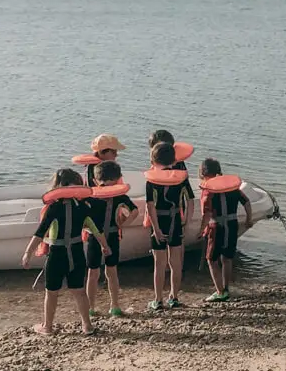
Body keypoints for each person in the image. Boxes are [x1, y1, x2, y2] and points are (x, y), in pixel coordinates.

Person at [21, 169, 108, 336]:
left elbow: (40, 233)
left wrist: (27, 253)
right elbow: (95, 229)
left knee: (51, 292)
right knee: (79, 291)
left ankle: (47, 327)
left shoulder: (53, 208)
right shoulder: (82, 206)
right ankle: (87, 326)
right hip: (76, 254)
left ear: (58, 187)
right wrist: (105, 246)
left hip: (57, 255)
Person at [84, 160, 139, 317]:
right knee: (112, 272)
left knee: (92, 273)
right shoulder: (119, 195)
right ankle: (114, 306)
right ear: (118, 178)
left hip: (94, 238)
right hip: (113, 236)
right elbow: (134, 211)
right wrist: (124, 224)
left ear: (95, 180)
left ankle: (90, 307)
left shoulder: (91, 196)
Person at [198, 158, 253, 303]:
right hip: (232, 224)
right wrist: (249, 219)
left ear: (203, 173)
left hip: (216, 227)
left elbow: (206, 214)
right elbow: (247, 202)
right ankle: (226, 288)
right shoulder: (232, 188)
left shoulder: (208, 191)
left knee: (211, 259)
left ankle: (219, 291)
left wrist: (201, 229)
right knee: (227, 258)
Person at [144, 142, 191, 310]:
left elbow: (150, 206)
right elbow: (190, 200)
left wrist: (156, 229)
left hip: (159, 222)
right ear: (173, 159)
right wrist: (186, 221)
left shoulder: (151, 180)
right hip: (176, 221)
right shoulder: (181, 178)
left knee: (159, 263)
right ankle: (174, 297)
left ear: (154, 160)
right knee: (175, 261)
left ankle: (158, 300)